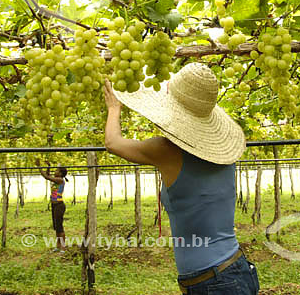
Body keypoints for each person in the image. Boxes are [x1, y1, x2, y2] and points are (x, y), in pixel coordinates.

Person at [103, 62, 259, 295]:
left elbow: (112, 143)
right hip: (234, 270)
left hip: (214, 283)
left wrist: (114, 108)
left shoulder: (165, 150)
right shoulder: (224, 153)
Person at [36, 159, 68, 253]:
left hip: (59, 205)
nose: (55, 171)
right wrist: (48, 166)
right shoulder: (56, 180)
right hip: (54, 206)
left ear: (61, 173)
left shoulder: (60, 180)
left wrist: (39, 167)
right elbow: (48, 175)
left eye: (57, 170)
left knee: (59, 226)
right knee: (56, 226)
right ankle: (58, 246)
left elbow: (46, 177)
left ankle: (63, 247)